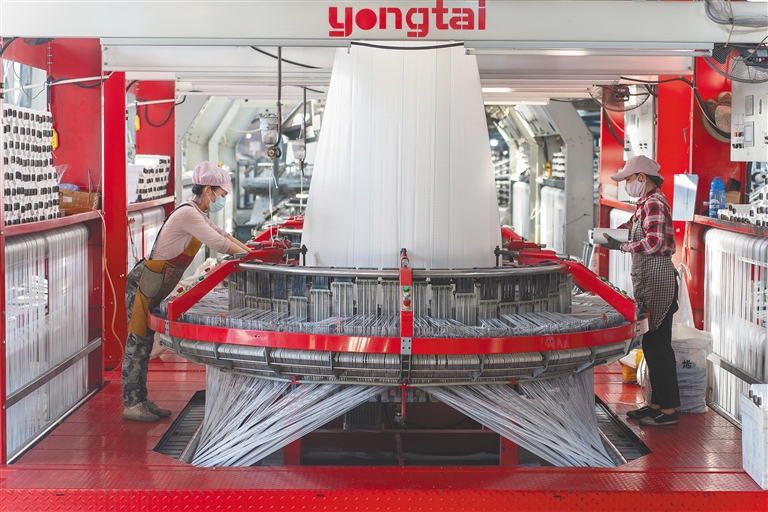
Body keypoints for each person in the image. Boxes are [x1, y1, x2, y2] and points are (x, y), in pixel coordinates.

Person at [122, 161, 252, 422]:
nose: (222, 199)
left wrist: (252, 254)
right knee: (138, 342)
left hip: (157, 283)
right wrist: (251, 257)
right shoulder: (188, 214)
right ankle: (132, 404)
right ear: (208, 190)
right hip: (144, 283)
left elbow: (223, 234)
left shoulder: (198, 214)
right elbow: (218, 243)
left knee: (145, 342)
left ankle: (142, 400)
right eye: (222, 194)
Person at [601, 155, 680, 426]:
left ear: (642, 178)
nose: (626, 184)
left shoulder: (655, 202)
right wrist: (610, 235)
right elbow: (633, 228)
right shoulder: (645, 203)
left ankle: (668, 412)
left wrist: (621, 246)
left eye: (628, 179)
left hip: (659, 281)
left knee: (659, 347)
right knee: (651, 344)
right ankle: (655, 404)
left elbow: (654, 242)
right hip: (649, 281)